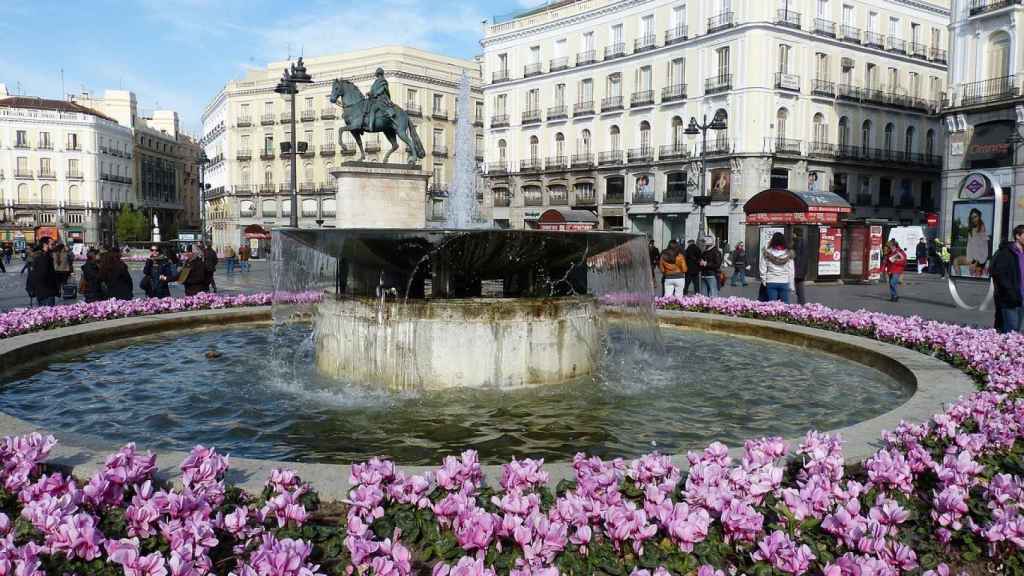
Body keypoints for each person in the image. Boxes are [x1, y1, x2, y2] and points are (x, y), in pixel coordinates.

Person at [991, 224, 1024, 333]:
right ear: (1018, 236)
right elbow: (1000, 274)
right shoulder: (1006, 252)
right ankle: (1005, 349)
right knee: (1011, 329)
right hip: (1010, 295)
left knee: (1017, 328)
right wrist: (1009, 291)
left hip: (1022, 294)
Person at [759, 232, 795, 303]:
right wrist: (791, 285)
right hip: (784, 281)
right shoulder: (788, 254)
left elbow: (762, 267)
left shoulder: (767, 252)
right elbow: (791, 271)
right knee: (785, 303)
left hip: (771, 281)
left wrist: (764, 280)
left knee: (772, 305)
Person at [28, 238, 60, 306]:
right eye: (52, 244)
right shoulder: (43, 257)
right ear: (45, 245)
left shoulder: (45, 255)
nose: (54, 246)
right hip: (46, 291)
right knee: (48, 313)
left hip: (43, 291)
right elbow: (41, 275)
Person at [964, 208, 991, 277]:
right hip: (973, 258)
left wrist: (976, 262)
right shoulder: (971, 229)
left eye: (976, 217)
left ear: (979, 217)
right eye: (972, 217)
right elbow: (969, 246)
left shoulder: (982, 228)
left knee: (977, 275)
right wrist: (970, 261)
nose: (974, 219)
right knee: (956, 262)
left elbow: (984, 248)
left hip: (981, 259)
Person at [793, 233, 808, 305]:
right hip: (801, 271)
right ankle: (801, 305)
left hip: (797, 271)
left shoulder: (797, 242)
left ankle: (800, 306)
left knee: (798, 290)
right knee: (800, 291)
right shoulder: (804, 242)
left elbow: (797, 258)